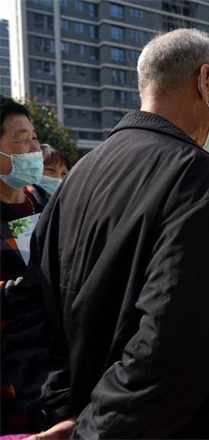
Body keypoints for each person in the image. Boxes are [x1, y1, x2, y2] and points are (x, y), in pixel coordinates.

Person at [2, 29, 209, 439]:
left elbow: (28, 308)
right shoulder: (198, 180)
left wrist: (62, 411)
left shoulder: (79, 176)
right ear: (204, 82)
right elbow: (170, 349)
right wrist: (89, 431)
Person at [0, 96, 50, 435]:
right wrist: (26, 289)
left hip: (52, 371)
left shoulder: (46, 200)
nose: (33, 148)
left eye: (34, 137)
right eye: (20, 138)